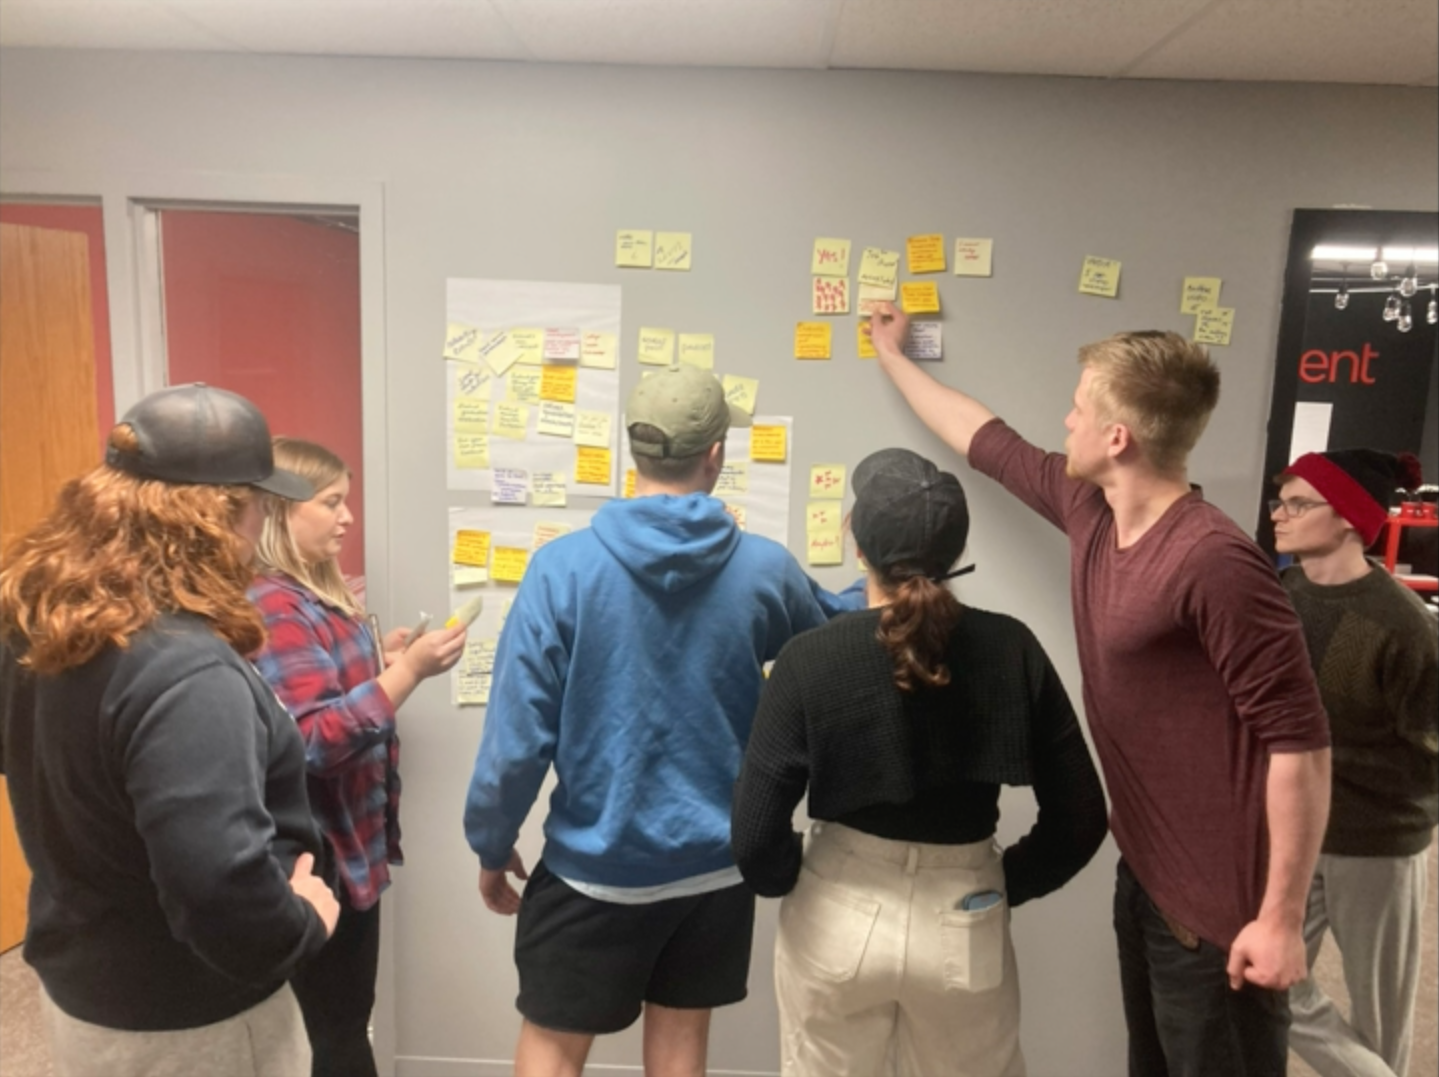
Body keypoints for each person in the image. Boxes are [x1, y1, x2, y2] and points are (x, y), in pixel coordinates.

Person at [867, 302, 1332, 1076]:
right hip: (1145, 874)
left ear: (1117, 438)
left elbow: (1302, 747)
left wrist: (1279, 918)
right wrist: (890, 353)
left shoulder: (1213, 561)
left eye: (1079, 407)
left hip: (1219, 917)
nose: (1065, 418)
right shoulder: (1091, 507)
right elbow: (984, 437)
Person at [464, 365, 861, 1077]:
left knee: (553, 1048)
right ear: (716, 454)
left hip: (592, 867)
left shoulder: (560, 570)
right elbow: (835, 630)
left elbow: (516, 738)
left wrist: (492, 845)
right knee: (679, 1050)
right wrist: (891, 571)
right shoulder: (763, 570)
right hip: (713, 866)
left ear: (633, 452)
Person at [732, 448, 1108, 1077]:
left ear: (860, 549)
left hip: (837, 912)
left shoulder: (808, 659)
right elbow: (1082, 817)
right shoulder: (1012, 648)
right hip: (965, 915)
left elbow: (753, 838)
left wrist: (790, 877)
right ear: (955, 556)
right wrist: (1003, 882)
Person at [0, 384, 339, 1077]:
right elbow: (218, 890)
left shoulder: (39, 621)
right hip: (195, 1024)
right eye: (257, 505)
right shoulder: (188, 673)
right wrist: (303, 919)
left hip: (87, 995)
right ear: (223, 515)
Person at [248, 437, 468, 1077]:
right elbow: (314, 740)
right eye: (332, 503)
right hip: (317, 857)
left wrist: (384, 662)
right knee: (337, 1033)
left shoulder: (317, 595)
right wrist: (410, 676)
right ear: (283, 511)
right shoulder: (273, 606)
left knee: (342, 1021)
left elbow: (319, 695)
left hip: (351, 847)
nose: (348, 518)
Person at [1270, 449, 1437, 1077]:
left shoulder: (1403, 624)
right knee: (1272, 981)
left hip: (1378, 844)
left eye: (1298, 503)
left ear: (1348, 519)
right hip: (1293, 833)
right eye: (1280, 502)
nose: (1280, 516)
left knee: (1382, 1012)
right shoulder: (1282, 593)